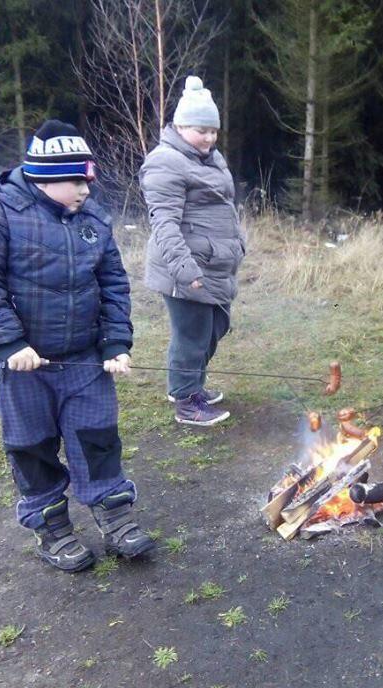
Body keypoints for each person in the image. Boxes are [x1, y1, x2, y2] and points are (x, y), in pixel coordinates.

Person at [0, 119, 156, 573]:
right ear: (45, 178)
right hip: (23, 365)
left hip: (84, 359)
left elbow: (113, 283)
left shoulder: (93, 219)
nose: (86, 188)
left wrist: (116, 342)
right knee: (33, 445)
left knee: (97, 438)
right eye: (76, 180)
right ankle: (53, 529)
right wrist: (10, 343)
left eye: (87, 179)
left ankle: (115, 518)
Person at [139, 76, 244, 427]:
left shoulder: (210, 158)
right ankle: (186, 402)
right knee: (192, 334)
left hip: (213, 264)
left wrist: (237, 245)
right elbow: (164, 224)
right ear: (181, 126)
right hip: (184, 267)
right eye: (202, 131)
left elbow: (224, 206)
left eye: (213, 131)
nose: (210, 138)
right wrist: (185, 269)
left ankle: (190, 385)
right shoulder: (165, 162)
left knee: (215, 326)